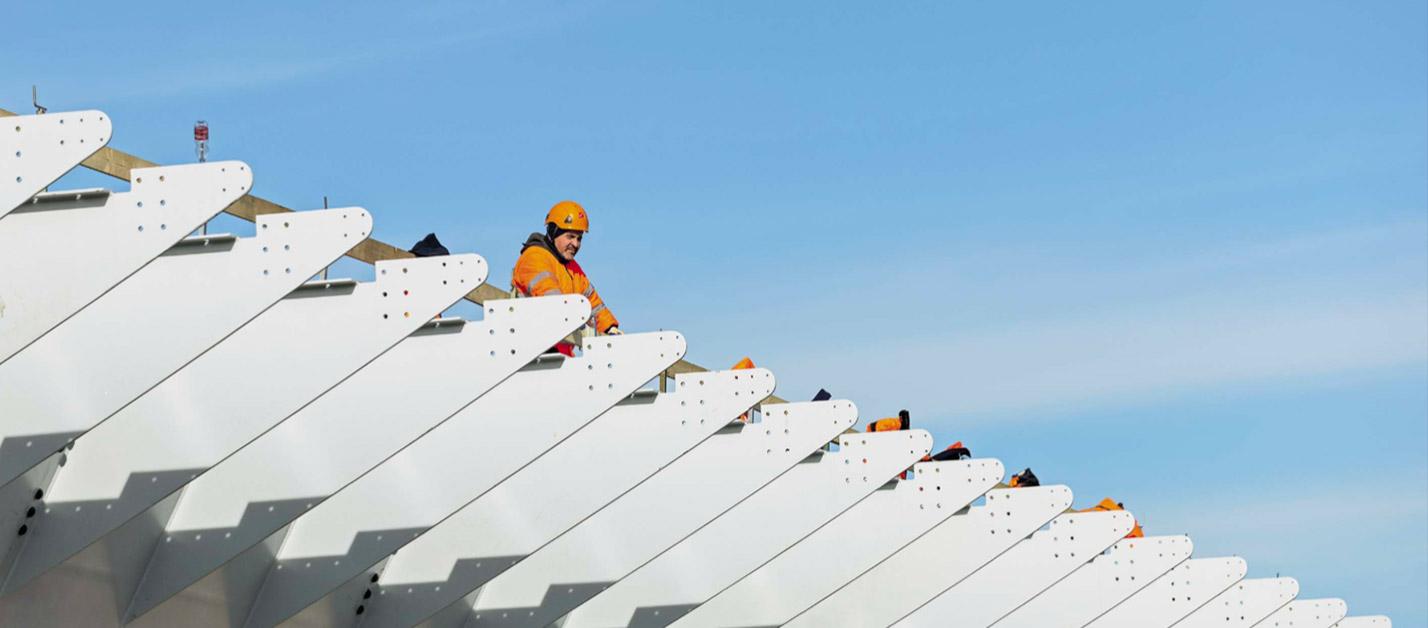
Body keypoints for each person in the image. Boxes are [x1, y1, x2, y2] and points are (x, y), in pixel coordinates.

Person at [512, 201, 621, 355]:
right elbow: (554, 302)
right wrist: (581, 320)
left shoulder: (572, 269)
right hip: (533, 352)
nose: (575, 244)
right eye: (570, 236)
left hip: (560, 355)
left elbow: (594, 305)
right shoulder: (534, 257)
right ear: (553, 231)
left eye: (579, 238)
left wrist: (610, 329)